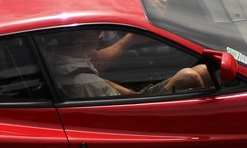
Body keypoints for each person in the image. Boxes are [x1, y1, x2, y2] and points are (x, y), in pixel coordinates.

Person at [41, 27, 210, 100]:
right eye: (96, 33)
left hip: (130, 98)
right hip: (137, 112)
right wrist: (138, 99)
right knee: (188, 77)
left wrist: (131, 93)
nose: (100, 35)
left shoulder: (67, 59)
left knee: (203, 70)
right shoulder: (85, 83)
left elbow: (99, 80)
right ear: (79, 41)